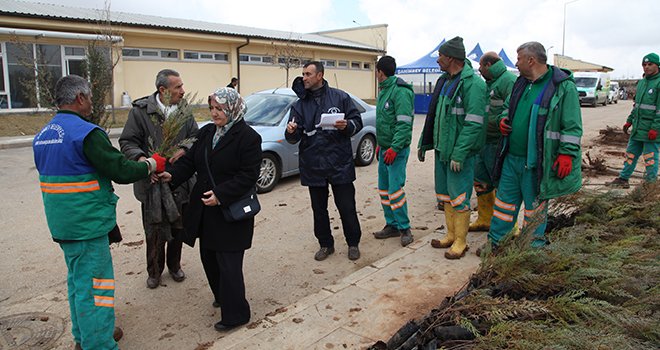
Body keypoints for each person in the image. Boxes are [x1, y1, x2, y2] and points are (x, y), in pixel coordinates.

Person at [33, 75, 166, 350]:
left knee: (78, 284)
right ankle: (99, 344)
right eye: (91, 97)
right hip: (87, 224)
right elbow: (120, 169)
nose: (92, 103)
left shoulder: (43, 135)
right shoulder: (87, 133)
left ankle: (85, 336)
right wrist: (152, 164)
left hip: (62, 224)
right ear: (80, 98)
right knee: (97, 288)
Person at [159, 87, 261, 331]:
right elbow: (191, 163)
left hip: (230, 211)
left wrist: (221, 195)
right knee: (209, 258)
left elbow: (248, 176)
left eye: (220, 109)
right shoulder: (207, 133)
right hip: (205, 211)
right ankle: (222, 296)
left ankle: (237, 314)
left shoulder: (248, 137)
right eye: (212, 108)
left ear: (233, 109)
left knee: (229, 264)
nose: (214, 114)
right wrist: (170, 175)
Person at [487, 41, 582, 252]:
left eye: (518, 58)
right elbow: (508, 107)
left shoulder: (562, 86)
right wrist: (504, 118)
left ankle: (531, 251)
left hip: (536, 162)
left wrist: (567, 154)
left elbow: (572, 126)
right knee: (503, 207)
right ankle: (496, 245)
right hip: (511, 159)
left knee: (534, 211)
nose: (516, 63)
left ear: (531, 60)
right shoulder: (521, 83)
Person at [119, 69, 198, 289]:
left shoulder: (184, 109)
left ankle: (175, 266)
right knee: (153, 230)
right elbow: (127, 142)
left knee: (177, 228)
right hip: (151, 182)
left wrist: (183, 149)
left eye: (182, 86)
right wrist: (144, 161)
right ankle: (154, 271)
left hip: (179, 181)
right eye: (178, 87)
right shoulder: (140, 112)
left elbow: (194, 136)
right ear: (163, 90)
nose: (183, 91)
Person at [285, 61, 364, 261]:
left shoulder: (341, 97)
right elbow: (293, 137)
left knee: (346, 206)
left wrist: (347, 126)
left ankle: (353, 243)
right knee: (319, 209)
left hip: (339, 162)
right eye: (303, 74)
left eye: (308, 74)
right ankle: (325, 244)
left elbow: (357, 122)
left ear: (320, 75)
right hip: (313, 164)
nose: (304, 78)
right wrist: (291, 132)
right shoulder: (299, 105)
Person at [418, 36, 488, 259]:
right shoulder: (446, 81)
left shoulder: (473, 84)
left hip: (460, 154)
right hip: (442, 151)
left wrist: (460, 152)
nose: (438, 60)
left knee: (459, 198)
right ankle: (450, 235)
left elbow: (474, 123)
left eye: (440, 56)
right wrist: (425, 143)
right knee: (446, 196)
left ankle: (461, 241)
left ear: (450, 58)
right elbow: (434, 117)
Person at [371, 55, 416, 247]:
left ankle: (405, 228)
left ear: (380, 72)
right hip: (385, 149)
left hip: (396, 151)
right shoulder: (383, 91)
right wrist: (381, 144)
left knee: (395, 190)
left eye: (376, 72)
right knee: (384, 189)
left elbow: (404, 125)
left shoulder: (400, 92)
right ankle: (392, 225)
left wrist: (395, 148)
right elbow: (384, 122)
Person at [470, 52, 517, 232]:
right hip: (483, 140)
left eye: (481, 67)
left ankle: (509, 228)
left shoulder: (508, 81)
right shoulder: (487, 84)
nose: (480, 71)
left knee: (501, 184)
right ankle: (485, 218)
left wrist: (496, 121)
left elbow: (510, 108)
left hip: (497, 142)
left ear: (488, 65)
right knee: (481, 181)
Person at [606, 53, 660, 188]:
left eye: (650, 64)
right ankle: (623, 179)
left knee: (650, 158)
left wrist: (655, 128)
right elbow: (637, 106)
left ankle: (650, 184)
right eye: (644, 65)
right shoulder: (642, 83)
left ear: (657, 65)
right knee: (630, 154)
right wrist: (629, 120)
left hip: (650, 130)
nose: (646, 67)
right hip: (637, 128)